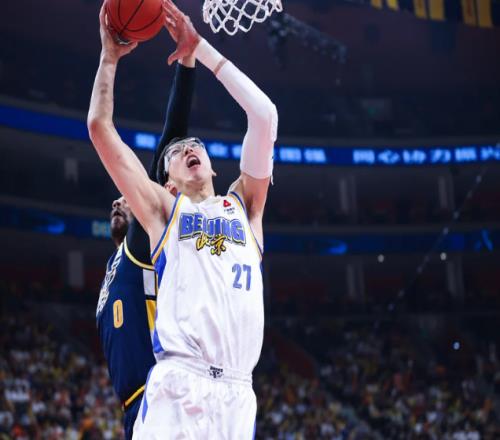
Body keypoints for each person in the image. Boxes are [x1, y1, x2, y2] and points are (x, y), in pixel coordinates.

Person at [87, 0, 278, 437]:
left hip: (238, 394)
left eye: (196, 146)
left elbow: (265, 115)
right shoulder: (164, 213)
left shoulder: (246, 208)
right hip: (178, 386)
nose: (188, 147)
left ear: (213, 168)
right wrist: (109, 58)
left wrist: (200, 49)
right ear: (166, 182)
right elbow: (99, 128)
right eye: (175, 151)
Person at [94, 20, 197, 439]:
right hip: (137, 410)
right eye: (116, 199)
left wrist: (186, 66)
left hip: (163, 398)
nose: (117, 201)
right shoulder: (115, 263)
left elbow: (169, 142)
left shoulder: (143, 245)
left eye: (126, 197)